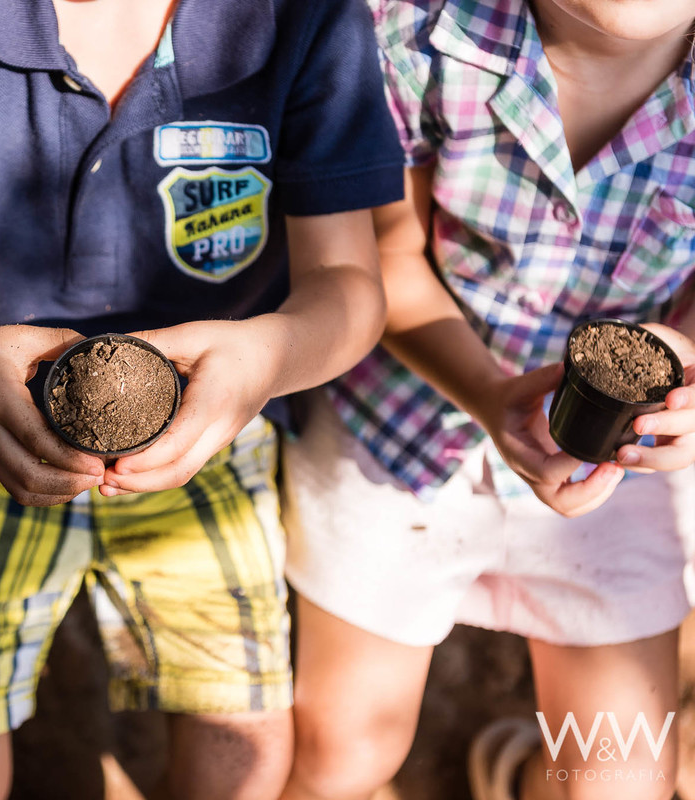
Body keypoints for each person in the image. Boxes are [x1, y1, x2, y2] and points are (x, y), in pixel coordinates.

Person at [0, 0, 404, 797]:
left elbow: (349, 287)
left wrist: (263, 357)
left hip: (218, 425)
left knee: (243, 739)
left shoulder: (304, 16)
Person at [281, 1, 695, 799]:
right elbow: (387, 257)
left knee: (618, 781)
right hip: (403, 428)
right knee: (342, 757)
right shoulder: (409, 34)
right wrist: (491, 395)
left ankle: (519, 772)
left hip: (618, 471)